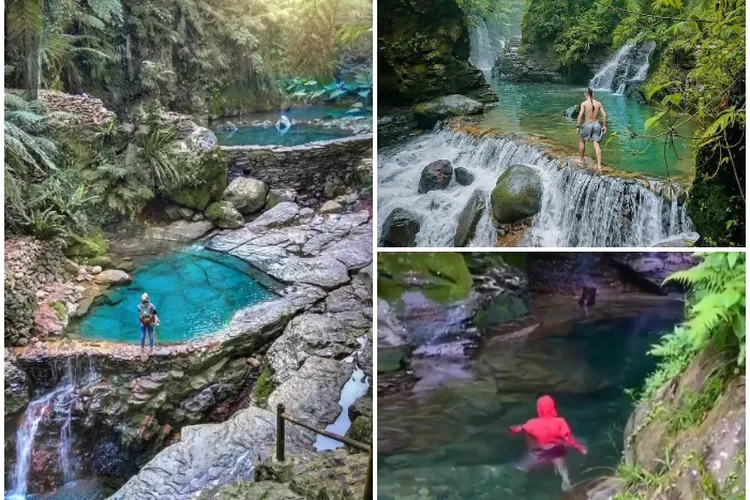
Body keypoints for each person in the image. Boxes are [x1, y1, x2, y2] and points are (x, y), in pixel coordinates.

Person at [509, 395, 587, 491]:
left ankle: (521, 481)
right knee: (562, 468)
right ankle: (566, 482)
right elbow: (568, 439)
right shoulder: (560, 421)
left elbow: (518, 429)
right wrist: (581, 448)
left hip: (542, 451)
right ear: (553, 407)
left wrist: (512, 429)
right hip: (558, 450)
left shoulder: (532, 423)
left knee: (522, 467)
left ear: (539, 408)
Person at [576, 88, 607, 172]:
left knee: (582, 141)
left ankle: (581, 160)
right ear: (593, 94)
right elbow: (604, 115)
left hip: (587, 125)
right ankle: (599, 165)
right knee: (596, 144)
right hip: (597, 125)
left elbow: (580, 115)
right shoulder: (598, 103)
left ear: (585, 94)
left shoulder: (584, 104)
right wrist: (604, 126)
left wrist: (578, 126)